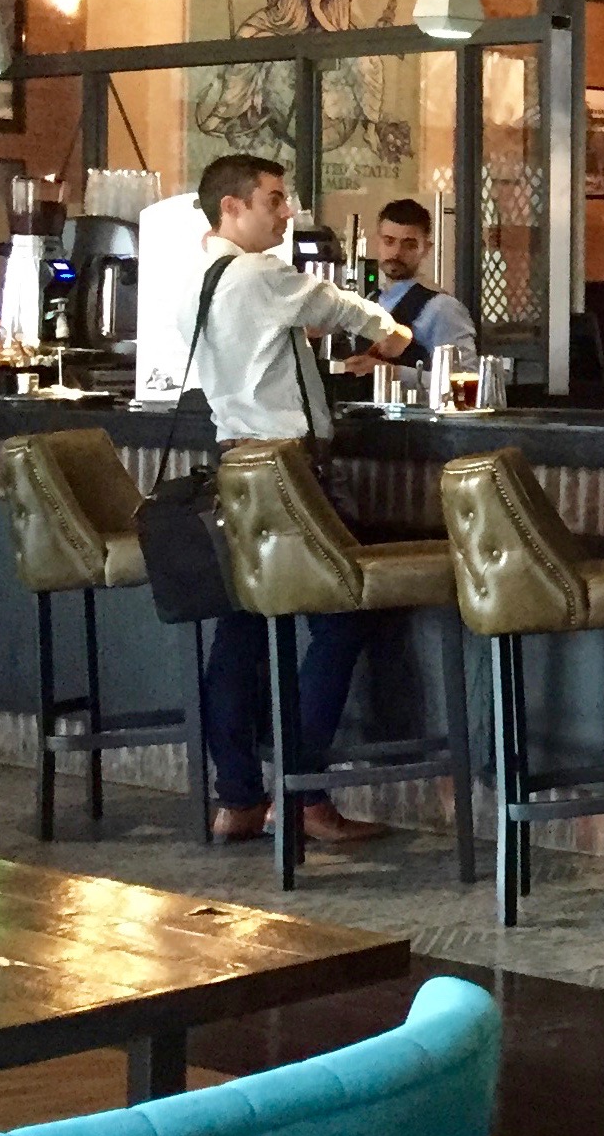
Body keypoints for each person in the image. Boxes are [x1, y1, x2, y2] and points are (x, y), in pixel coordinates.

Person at [182, 152, 416, 844]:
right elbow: (336, 303)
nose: (286, 213)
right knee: (340, 617)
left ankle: (238, 799)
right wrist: (392, 331)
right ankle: (304, 795)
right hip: (288, 470)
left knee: (241, 628)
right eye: (274, 200)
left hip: (236, 464)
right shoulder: (258, 272)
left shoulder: (200, 276)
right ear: (232, 207)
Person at [341, 197, 476, 392]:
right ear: (377, 242)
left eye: (409, 245)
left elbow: (466, 383)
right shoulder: (371, 300)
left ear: (426, 249)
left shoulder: (443, 308)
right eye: (389, 241)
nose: (396, 252)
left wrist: (394, 373)